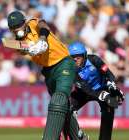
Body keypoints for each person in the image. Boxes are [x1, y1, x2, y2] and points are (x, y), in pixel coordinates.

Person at [6, 10, 78, 140]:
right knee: (62, 106)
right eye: (14, 28)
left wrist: (42, 39)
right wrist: (29, 48)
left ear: (24, 22)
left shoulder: (33, 23)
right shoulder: (19, 42)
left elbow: (43, 25)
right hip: (48, 71)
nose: (17, 30)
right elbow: (21, 50)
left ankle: (50, 137)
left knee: (59, 99)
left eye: (19, 26)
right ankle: (78, 136)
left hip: (64, 62)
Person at [64, 41, 125, 140]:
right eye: (72, 57)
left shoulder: (94, 59)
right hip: (83, 93)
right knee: (66, 108)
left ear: (84, 56)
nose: (75, 60)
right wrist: (102, 95)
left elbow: (108, 73)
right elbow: (84, 87)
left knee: (109, 107)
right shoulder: (71, 70)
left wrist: (112, 85)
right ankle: (79, 135)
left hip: (102, 87)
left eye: (78, 57)